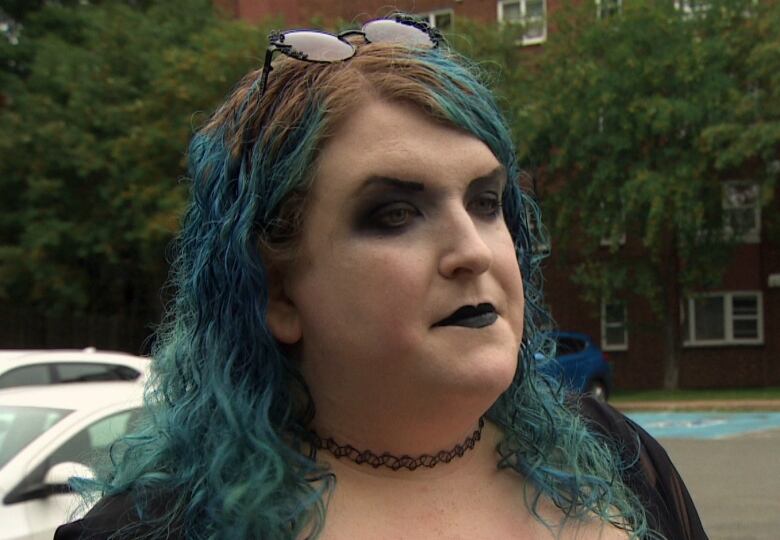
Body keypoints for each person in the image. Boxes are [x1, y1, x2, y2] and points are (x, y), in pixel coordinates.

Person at [56, 14, 706, 540]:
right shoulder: (158, 529)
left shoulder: (618, 459)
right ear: (278, 291)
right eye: (394, 215)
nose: (471, 251)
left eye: (485, 203)